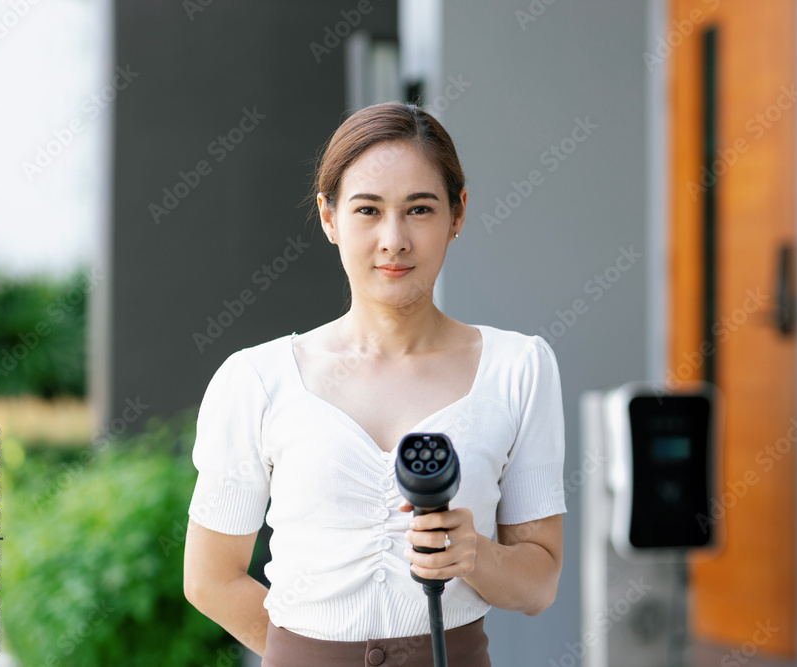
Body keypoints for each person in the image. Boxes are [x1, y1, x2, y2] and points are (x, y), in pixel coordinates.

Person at [183, 101, 566, 666]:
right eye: (367, 210)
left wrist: (473, 555)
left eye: (419, 209)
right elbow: (210, 579)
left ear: (457, 214)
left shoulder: (519, 368)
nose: (394, 239)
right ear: (328, 217)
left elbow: (539, 586)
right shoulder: (257, 381)